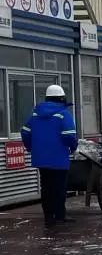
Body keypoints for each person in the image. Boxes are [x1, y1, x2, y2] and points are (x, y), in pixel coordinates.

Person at [20, 85, 78, 227]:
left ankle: (48, 217)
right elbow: (69, 136)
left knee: (46, 187)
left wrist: (30, 147)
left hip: (41, 158)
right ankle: (60, 215)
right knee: (59, 187)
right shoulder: (63, 113)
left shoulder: (35, 114)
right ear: (62, 99)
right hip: (59, 157)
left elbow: (25, 132)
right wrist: (73, 147)